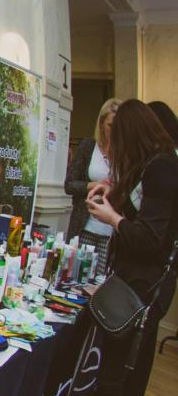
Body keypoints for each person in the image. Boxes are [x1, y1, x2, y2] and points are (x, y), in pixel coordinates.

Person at [40, 99, 178, 396]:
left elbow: (150, 239)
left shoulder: (163, 168)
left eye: (117, 138)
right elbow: (141, 210)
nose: (112, 147)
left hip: (141, 290)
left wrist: (111, 218)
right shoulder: (151, 166)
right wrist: (114, 191)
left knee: (113, 377)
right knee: (104, 373)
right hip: (127, 280)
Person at [64, 98, 120, 270]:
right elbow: (69, 185)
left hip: (111, 231)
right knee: (75, 272)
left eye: (119, 126)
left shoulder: (126, 152)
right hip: (85, 225)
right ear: (101, 124)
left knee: (101, 278)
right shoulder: (88, 146)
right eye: (111, 125)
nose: (115, 131)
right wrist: (94, 185)